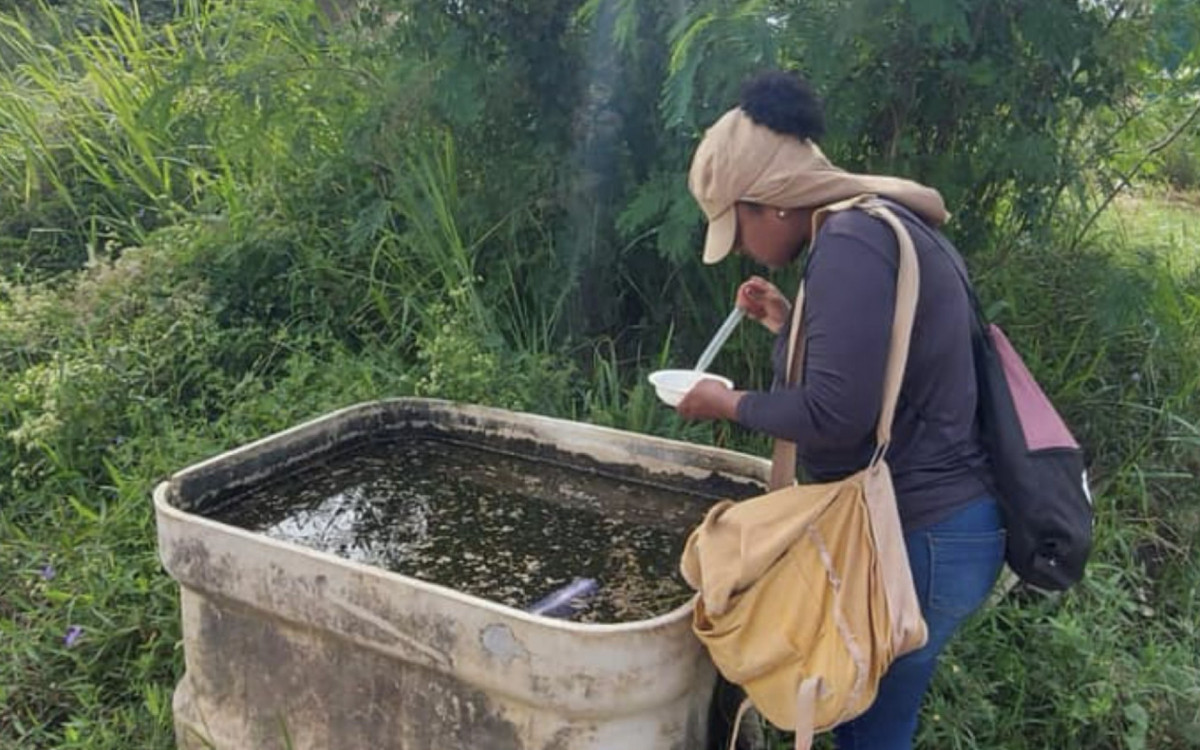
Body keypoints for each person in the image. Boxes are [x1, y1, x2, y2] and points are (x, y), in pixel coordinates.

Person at [677, 70, 1006, 750]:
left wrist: (728, 402)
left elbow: (836, 415)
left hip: (920, 530)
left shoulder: (851, 242)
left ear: (768, 202)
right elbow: (881, 370)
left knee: (868, 733)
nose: (738, 247)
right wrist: (788, 323)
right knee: (868, 724)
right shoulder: (872, 225)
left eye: (734, 228)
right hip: (941, 525)